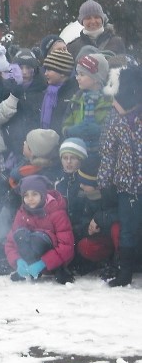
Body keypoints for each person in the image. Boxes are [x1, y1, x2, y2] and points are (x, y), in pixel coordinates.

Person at [98, 65, 142, 287]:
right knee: (128, 227)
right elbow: (107, 150)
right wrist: (104, 181)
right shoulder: (114, 116)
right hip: (126, 184)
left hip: (134, 181)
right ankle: (125, 272)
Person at [4, 174, 74, 282]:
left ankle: (57, 270)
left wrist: (43, 263)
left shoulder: (56, 212)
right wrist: (17, 260)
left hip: (54, 259)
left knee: (38, 239)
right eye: (26, 195)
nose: (30, 199)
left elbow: (66, 246)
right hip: (31, 258)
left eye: (34, 194)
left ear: (43, 194)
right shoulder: (22, 213)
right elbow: (10, 242)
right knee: (20, 234)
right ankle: (27, 269)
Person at [62, 53, 113, 152]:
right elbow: (65, 125)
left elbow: (114, 128)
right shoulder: (76, 99)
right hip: (77, 153)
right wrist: (70, 131)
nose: (77, 78)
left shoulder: (109, 101)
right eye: (77, 74)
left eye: (82, 74)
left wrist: (100, 130)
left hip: (102, 153)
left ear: (96, 78)